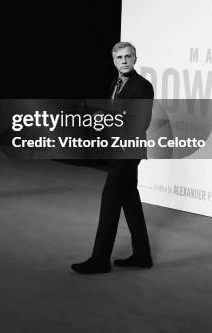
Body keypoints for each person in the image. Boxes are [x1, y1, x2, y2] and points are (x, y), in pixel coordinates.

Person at [72, 41, 154, 274]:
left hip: (129, 150)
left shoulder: (143, 86)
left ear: (135, 59)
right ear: (114, 61)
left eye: (128, 56)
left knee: (110, 200)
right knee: (130, 200)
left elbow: (141, 122)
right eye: (120, 58)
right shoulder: (114, 84)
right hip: (118, 148)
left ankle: (99, 259)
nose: (124, 61)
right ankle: (142, 255)